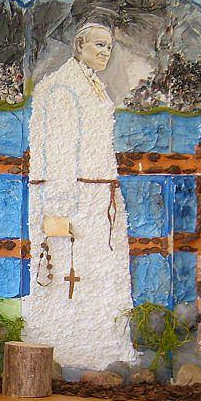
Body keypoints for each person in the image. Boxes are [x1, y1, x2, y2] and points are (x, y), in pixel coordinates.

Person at [24, 20, 138, 370]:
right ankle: (66, 351)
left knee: (102, 276)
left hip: (99, 197)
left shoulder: (95, 87)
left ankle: (108, 348)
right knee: (68, 276)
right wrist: (59, 208)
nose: (105, 53)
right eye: (98, 45)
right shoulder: (61, 87)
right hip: (73, 200)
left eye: (109, 47)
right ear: (79, 45)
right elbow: (56, 151)